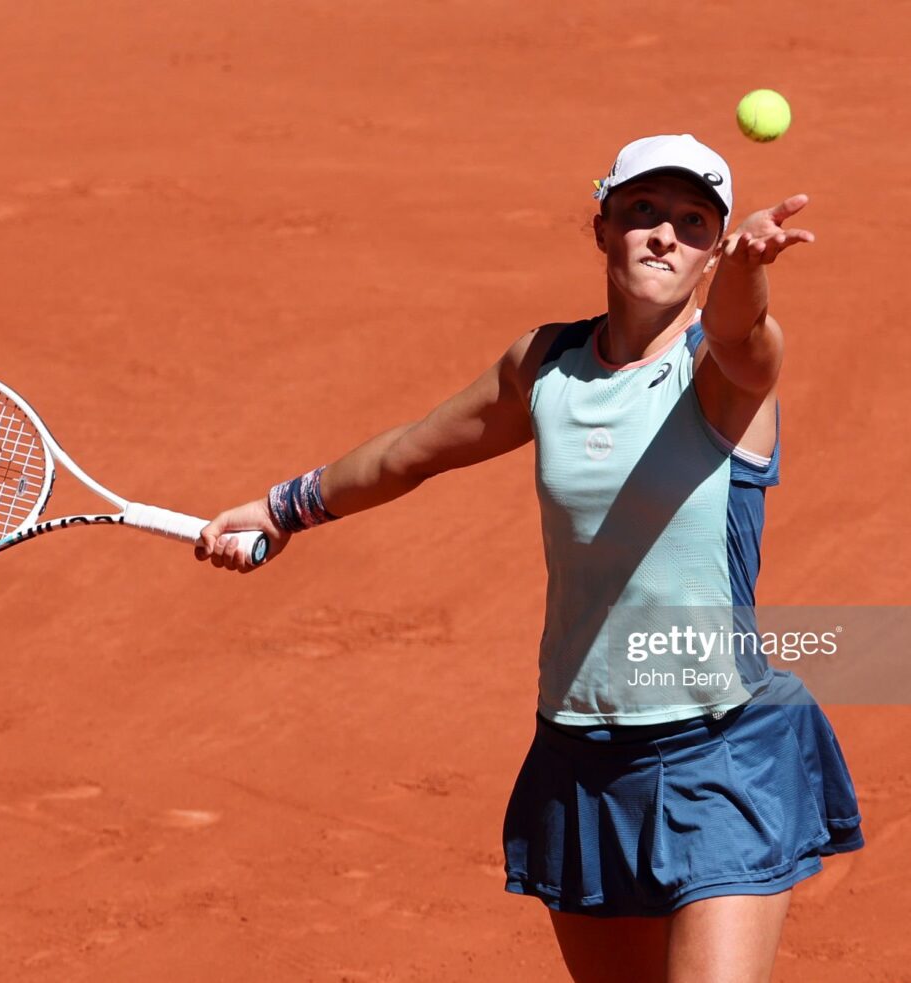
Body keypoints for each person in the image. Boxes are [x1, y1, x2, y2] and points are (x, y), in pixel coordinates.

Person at [195, 134, 865, 983]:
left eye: (693, 223)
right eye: (643, 212)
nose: (664, 234)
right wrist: (284, 506)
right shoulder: (545, 367)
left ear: (713, 252)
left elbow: (744, 328)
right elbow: (413, 450)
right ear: (602, 228)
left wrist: (750, 270)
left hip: (721, 749)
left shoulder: (725, 374)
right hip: (583, 758)